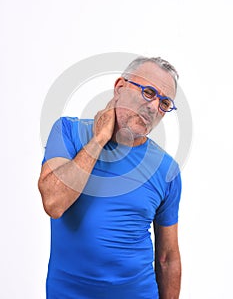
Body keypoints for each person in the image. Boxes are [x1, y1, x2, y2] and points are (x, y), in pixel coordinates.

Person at [38, 56, 182, 299]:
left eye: (165, 103)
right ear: (119, 87)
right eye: (148, 92)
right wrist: (99, 140)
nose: (154, 107)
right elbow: (53, 203)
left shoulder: (167, 169)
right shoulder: (68, 132)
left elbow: (167, 257)